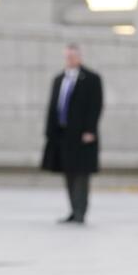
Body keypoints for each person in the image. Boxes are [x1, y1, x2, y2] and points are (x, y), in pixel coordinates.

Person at [41, 44, 104, 224]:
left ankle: (80, 212)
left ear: (79, 57)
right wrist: (50, 132)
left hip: (83, 135)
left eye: (73, 56)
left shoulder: (91, 78)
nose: (70, 60)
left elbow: (96, 106)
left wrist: (90, 130)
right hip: (63, 135)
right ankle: (72, 209)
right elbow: (53, 106)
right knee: (68, 173)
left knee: (81, 174)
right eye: (67, 57)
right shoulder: (59, 79)